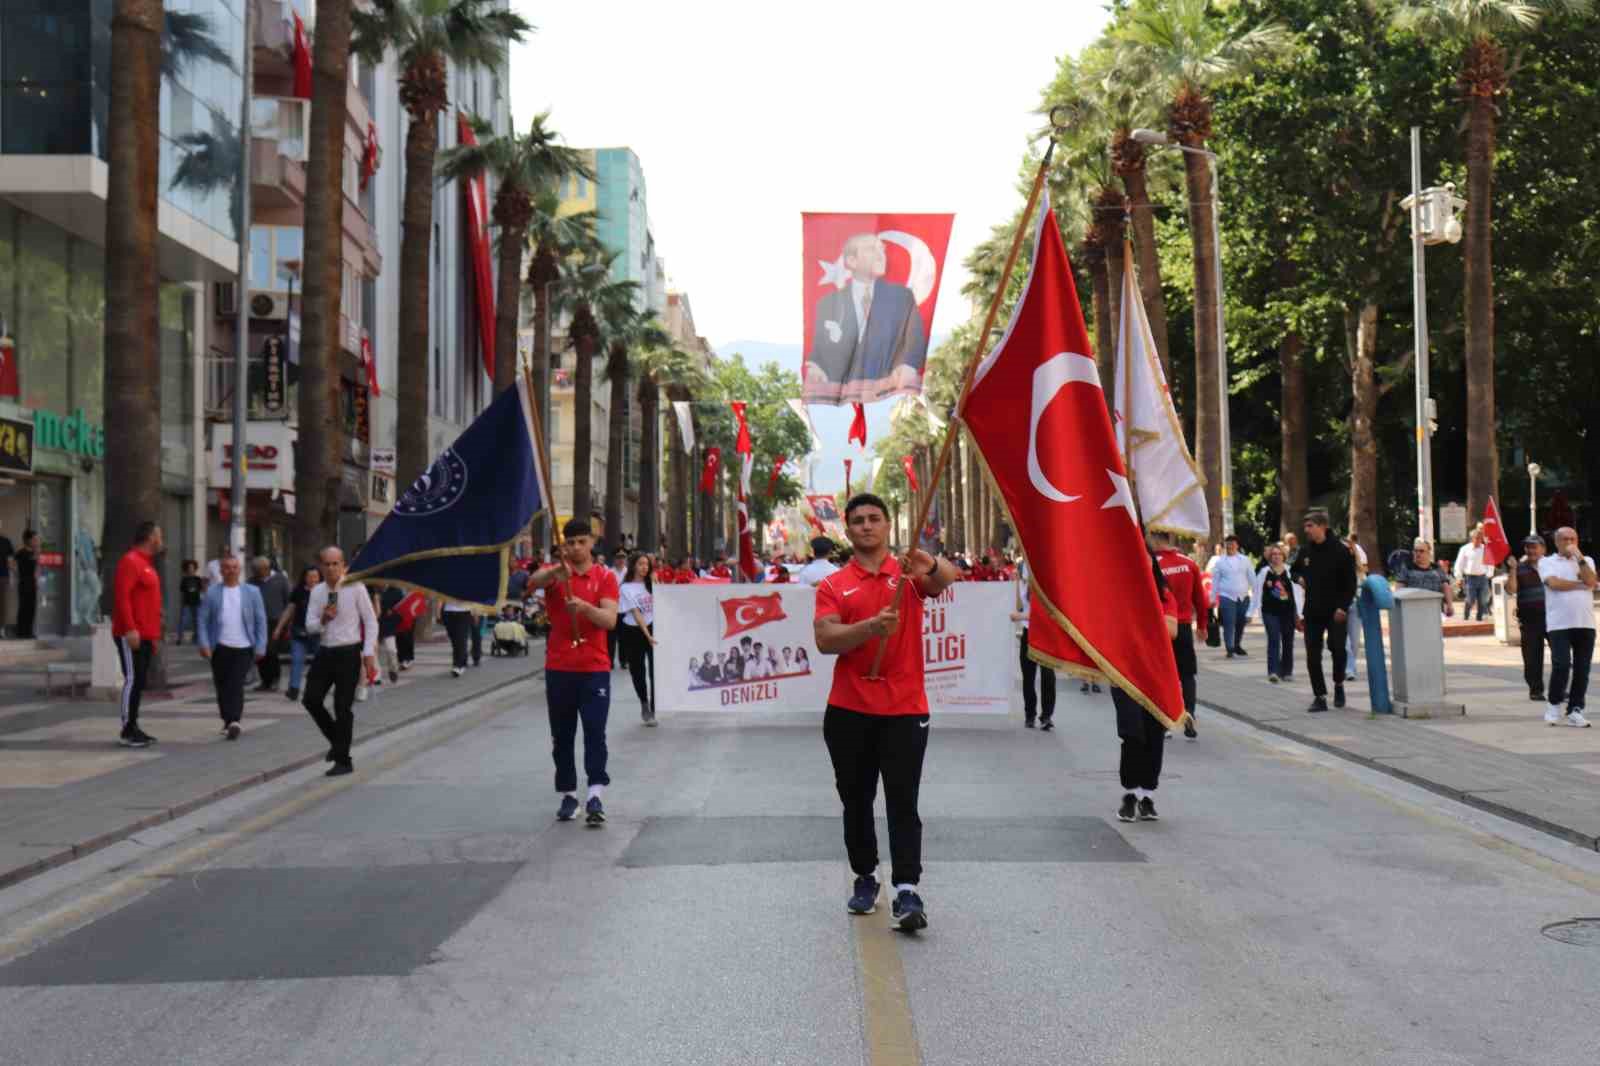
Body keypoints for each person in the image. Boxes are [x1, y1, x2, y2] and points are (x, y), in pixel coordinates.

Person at [813, 492, 959, 932]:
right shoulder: (834, 584)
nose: (866, 526)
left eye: (875, 518)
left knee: (903, 800)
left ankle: (907, 890)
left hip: (904, 709)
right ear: (847, 528)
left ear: (888, 525)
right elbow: (825, 638)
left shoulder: (908, 576)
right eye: (857, 520)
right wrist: (869, 629)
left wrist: (929, 565)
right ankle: (865, 876)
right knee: (855, 799)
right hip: (848, 709)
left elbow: (947, 580)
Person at [528, 519, 620, 826]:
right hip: (559, 667)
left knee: (595, 732)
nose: (576, 547)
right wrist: (556, 571)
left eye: (582, 541)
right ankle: (568, 795)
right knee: (562, 736)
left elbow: (609, 620)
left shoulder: (605, 577)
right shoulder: (557, 576)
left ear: (592, 542)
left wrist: (585, 609)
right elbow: (531, 582)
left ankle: (595, 793)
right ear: (563, 546)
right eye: (571, 543)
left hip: (594, 668)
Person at [805, 234, 929, 404]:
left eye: (882, 250)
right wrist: (816, 366)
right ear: (852, 261)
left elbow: (915, 341)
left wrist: (908, 365)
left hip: (891, 394)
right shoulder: (828, 304)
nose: (881, 256)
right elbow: (819, 351)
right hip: (844, 394)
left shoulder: (902, 297)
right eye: (872, 250)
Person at [1115, 548, 1180, 824]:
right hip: (1126, 675)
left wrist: (1143, 611)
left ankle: (1147, 796)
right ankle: (1129, 794)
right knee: (1132, 733)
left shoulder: (1165, 596)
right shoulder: (1118, 596)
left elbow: (1171, 631)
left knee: (1154, 735)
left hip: (1157, 676)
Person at [302, 547, 379, 776]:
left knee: (342, 706)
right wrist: (323, 619)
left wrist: (368, 653)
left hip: (348, 652)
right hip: (325, 652)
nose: (331, 568)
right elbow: (309, 625)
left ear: (343, 565)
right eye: (327, 564)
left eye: (336, 564)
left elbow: (371, 621)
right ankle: (338, 744)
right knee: (311, 699)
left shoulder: (355, 587)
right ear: (321, 566)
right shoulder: (317, 592)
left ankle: (343, 760)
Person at [197, 554, 268, 740]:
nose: (231, 570)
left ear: (240, 570)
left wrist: (261, 646)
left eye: (234, 567)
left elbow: (261, 621)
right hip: (219, 646)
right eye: (227, 567)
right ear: (221, 571)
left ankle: (234, 720)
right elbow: (202, 620)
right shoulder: (212, 592)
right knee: (221, 686)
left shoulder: (252, 592)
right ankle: (227, 720)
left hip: (244, 646)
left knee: (236, 683)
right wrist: (204, 644)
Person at [1296, 512, 1357, 712]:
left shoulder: (1340, 551)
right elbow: (1293, 570)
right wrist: (1299, 579)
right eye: (1305, 526)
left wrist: (1343, 607)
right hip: (1313, 611)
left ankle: (1338, 684)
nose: (1307, 530)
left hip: (1335, 611)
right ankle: (1319, 696)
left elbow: (1351, 582)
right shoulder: (1305, 551)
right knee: (1312, 654)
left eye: (1310, 526)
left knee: (1337, 648)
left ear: (1322, 527)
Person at [112, 521, 164, 748]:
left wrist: (153, 636)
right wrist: (131, 628)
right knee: (132, 679)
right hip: (131, 633)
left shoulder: (147, 564)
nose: (162, 539)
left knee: (140, 680)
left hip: (146, 634)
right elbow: (122, 597)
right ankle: (127, 728)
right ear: (151, 537)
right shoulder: (130, 561)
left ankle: (133, 724)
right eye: (159, 535)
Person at [1538, 526, 1595, 728]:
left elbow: (1591, 580)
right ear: (1557, 542)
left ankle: (1575, 709)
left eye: (1573, 538)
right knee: (1561, 665)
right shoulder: (1546, 562)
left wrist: (1579, 558)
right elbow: (1553, 583)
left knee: (1582, 669)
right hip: (1559, 623)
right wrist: (1581, 585)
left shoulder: (1586, 561)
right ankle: (1553, 705)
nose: (1570, 542)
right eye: (1566, 539)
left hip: (1585, 623)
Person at [1153, 532, 1206, 739]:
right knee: (1187, 674)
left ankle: (1165, 719)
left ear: (1156, 539)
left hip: (1161, 627)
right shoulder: (1188, 563)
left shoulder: (1153, 564)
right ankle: (1189, 714)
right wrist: (1202, 625)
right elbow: (1200, 599)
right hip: (1183, 626)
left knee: (1165, 674)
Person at [1009, 559, 1056, 730]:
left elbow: (1043, 611)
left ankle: (1047, 716)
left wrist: (1020, 617)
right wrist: (1016, 582)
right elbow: (1019, 606)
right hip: (1028, 632)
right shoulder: (1022, 580)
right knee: (1028, 677)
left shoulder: (1045, 579)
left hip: (1045, 632)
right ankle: (1030, 714)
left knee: (1047, 676)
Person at [1506, 534, 1549, 701]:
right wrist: (1513, 569)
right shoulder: (1520, 567)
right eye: (1528, 547)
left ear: (1543, 549)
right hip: (1530, 618)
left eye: (1534, 546)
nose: (1531, 550)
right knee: (1532, 656)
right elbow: (1511, 590)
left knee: (1561, 656)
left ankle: (1559, 687)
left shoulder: (1552, 565)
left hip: (1553, 616)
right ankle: (1535, 689)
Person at [617, 551, 658, 726]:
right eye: (641, 564)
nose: (644, 567)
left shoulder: (652, 584)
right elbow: (636, 613)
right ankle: (644, 702)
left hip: (654, 627)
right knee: (638, 670)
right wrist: (648, 636)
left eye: (647, 564)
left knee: (656, 671)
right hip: (633, 630)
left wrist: (657, 582)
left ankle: (655, 707)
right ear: (633, 565)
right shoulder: (625, 587)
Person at [273, 565, 321, 701]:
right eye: (309, 576)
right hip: (299, 633)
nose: (312, 579)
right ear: (304, 578)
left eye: (315, 576)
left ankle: (319, 687)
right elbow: (289, 610)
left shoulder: (327, 591)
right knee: (296, 660)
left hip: (318, 634)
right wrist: (278, 628)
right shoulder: (298, 591)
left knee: (322, 662)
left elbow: (332, 611)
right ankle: (293, 689)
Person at [1253, 544, 1300, 684]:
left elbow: (1298, 594)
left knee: (1287, 642)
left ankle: (1287, 671)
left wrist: (1300, 613)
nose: (1276, 556)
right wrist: (1253, 611)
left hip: (1288, 612)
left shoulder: (1290, 571)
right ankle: (1273, 671)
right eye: (1273, 554)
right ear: (1269, 557)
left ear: (1284, 556)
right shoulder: (1264, 572)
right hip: (1270, 612)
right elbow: (1257, 592)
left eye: (1279, 554)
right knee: (1273, 640)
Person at [250, 556, 291, 692]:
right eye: (254, 570)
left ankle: (275, 679)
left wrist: (287, 623)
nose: (256, 573)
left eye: (258, 570)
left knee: (271, 651)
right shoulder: (251, 582)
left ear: (267, 569)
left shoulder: (281, 580)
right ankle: (265, 681)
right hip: (257, 622)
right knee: (260, 652)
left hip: (276, 621)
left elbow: (289, 601)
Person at [1211, 535, 1254, 657]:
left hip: (1243, 596)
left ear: (1237, 545)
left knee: (1240, 622)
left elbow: (1252, 578)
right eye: (1228, 543)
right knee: (1229, 623)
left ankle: (1236, 645)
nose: (1230, 546)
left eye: (1232, 543)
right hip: (1226, 597)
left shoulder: (1245, 560)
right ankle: (1230, 648)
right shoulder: (1220, 562)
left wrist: (1257, 594)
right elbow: (1215, 582)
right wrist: (1212, 598)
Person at [1396, 539, 1455, 617]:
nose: (1418, 553)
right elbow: (1400, 587)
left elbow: (1445, 586)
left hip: (1435, 608)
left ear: (1428, 553)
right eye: (1415, 551)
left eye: (1421, 551)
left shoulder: (1437, 568)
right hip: (1413, 609)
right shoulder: (1407, 567)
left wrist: (1449, 605)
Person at [1452, 525, 1493, 622]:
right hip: (1470, 578)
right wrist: (1459, 576)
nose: (1479, 540)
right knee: (1470, 599)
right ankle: (1466, 614)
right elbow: (1459, 564)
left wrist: (1489, 574)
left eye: (1480, 538)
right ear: (1472, 538)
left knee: (1483, 599)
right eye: (1476, 538)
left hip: (1483, 577)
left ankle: (1479, 617)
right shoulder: (1465, 549)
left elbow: (1490, 562)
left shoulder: (1485, 549)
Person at [1344, 535, 1369, 682]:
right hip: (1340, 604)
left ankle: (1350, 666)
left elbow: (1364, 574)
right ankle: (1349, 668)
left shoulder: (1359, 567)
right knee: (1344, 640)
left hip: (1356, 602)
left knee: (1354, 640)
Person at [13, 529, 39, 640]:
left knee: (32, 607)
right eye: (34, 539)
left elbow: (36, 569)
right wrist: (17, 573)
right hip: (24, 583)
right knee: (24, 607)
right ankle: (21, 632)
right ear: (28, 540)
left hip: (32, 583)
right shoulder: (20, 552)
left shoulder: (34, 553)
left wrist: (37, 580)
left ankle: (28, 631)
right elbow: (11, 563)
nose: (36, 541)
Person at [442, 601, 477, 678]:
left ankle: (458, 665)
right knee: (454, 641)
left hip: (464, 613)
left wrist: (475, 613)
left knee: (461, 639)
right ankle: (462, 661)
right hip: (448, 612)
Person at [376, 586, 404, 683]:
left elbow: (402, 608)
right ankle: (376, 676)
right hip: (373, 624)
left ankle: (393, 669)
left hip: (388, 625)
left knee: (391, 649)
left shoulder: (396, 590)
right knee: (374, 651)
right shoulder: (369, 589)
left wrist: (393, 612)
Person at [176, 560, 204, 645]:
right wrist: (182, 602)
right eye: (189, 568)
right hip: (187, 603)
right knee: (183, 621)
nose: (191, 569)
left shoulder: (198, 579)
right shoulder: (184, 579)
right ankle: (179, 638)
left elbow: (201, 590)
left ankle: (196, 638)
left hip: (197, 602)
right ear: (186, 569)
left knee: (197, 621)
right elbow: (181, 591)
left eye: (192, 567)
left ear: (195, 569)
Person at [0, 518, 12, 638]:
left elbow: (10, 561)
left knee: (3, 604)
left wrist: (11, 576)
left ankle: (2, 628)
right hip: (3, 576)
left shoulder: (6, 541)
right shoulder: (6, 541)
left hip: (3, 576)